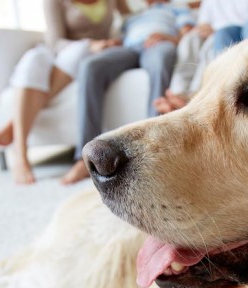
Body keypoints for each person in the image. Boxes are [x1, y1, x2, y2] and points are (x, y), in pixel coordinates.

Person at [0, 0, 130, 185]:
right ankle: (21, 155)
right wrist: (91, 44)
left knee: (80, 53)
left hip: (93, 53)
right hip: (64, 50)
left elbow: (130, 16)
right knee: (33, 59)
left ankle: (15, 122)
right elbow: (55, 41)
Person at [60, 0, 195, 185]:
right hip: (128, 49)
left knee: (163, 57)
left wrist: (170, 39)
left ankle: (155, 150)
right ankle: (82, 159)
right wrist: (114, 42)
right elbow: (120, 35)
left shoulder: (177, 8)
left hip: (158, 45)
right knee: (90, 66)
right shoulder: (132, 17)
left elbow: (188, 32)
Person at [153, 0, 248, 114]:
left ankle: (196, 94)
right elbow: (203, 23)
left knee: (211, 43)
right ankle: (177, 92)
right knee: (190, 39)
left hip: (230, 33)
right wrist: (202, 29)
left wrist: (215, 30)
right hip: (211, 32)